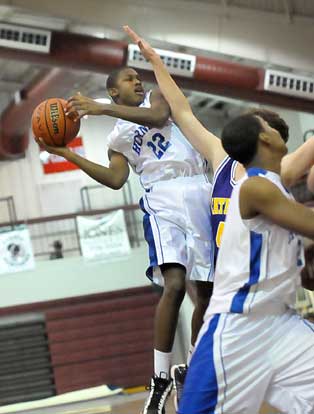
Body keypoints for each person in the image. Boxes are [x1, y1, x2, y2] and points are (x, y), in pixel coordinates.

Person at [123, 25, 314, 409]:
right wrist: (157, 61)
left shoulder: (279, 172)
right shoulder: (235, 170)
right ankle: (186, 371)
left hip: (277, 312)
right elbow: (181, 110)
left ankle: (187, 368)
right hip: (235, 311)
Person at [36, 67, 214, 414]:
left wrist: (100, 108)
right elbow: (116, 179)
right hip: (161, 197)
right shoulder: (116, 138)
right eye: (129, 79)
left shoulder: (157, 98)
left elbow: (160, 116)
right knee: (174, 284)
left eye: (137, 77)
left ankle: (191, 368)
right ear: (114, 91)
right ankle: (160, 379)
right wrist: (69, 154)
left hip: (199, 189)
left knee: (206, 294)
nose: (137, 81)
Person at [178, 113, 314, 414]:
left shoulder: (279, 190)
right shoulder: (254, 188)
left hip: (282, 324)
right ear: (265, 138)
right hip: (238, 327)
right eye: (268, 127)